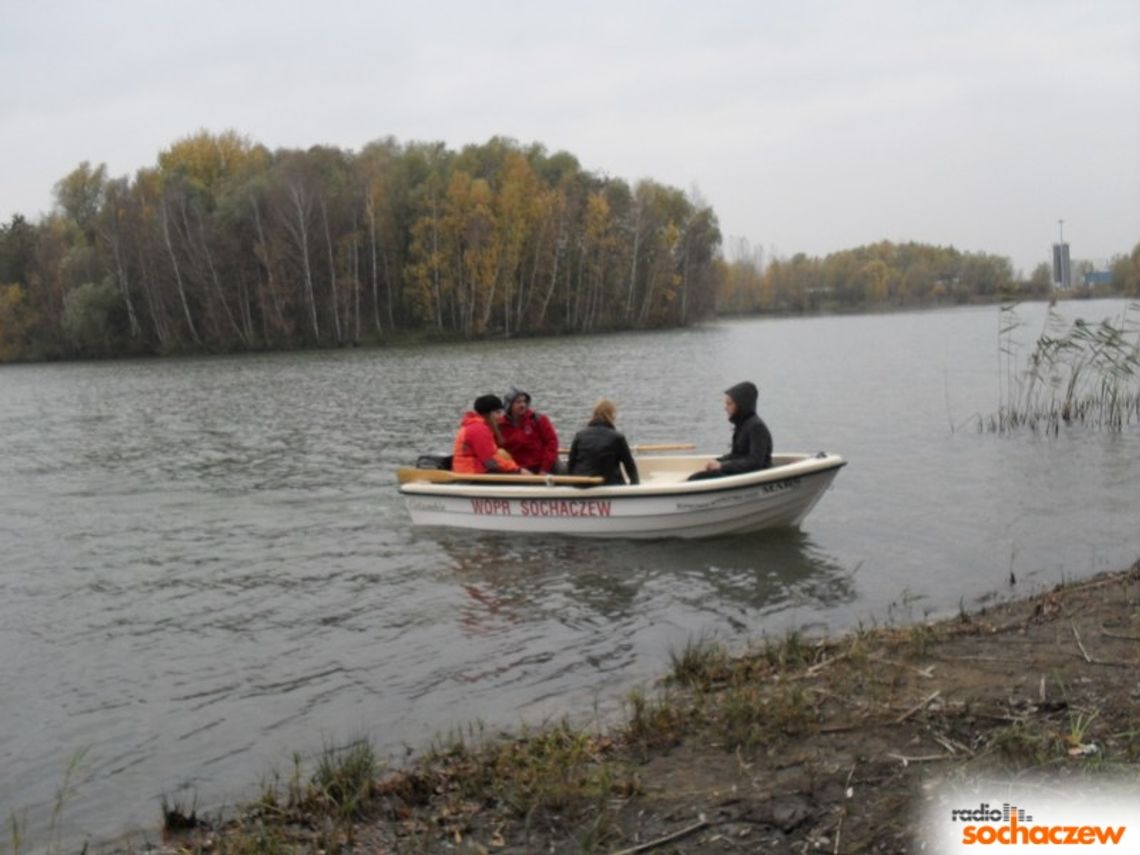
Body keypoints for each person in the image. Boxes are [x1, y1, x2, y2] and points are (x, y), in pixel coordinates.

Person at [688, 381, 772, 481]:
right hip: (743, 472)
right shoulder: (743, 424)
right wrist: (718, 461)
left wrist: (722, 466)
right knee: (699, 475)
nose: (725, 408)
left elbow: (755, 462)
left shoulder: (756, 427)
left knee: (695, 479)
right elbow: (737, 455)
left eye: (729, 404)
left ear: (742, 405)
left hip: (755, 476)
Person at [452, 394, 531, 475]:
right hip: (472, 474)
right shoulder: (479, 430)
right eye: (498, 412)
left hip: (471, 471)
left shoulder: (477, 426)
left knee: (502, 453)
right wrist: (517, 470)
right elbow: (490, 462)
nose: (501, 417)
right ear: (489, 414)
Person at [567, 398, 639, 486]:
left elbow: (571, 463)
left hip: (581, 484)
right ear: (612, 415)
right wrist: (634, 485)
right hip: (607, 483)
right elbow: (630, 466)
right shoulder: (617, 437)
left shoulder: (580, 435)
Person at [498, 386, 561, 474]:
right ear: (509, 405)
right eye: (518, 402)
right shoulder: (500, 425)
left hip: (541, 467)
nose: (523, 405)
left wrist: (544, 469)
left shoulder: (539, 419)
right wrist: (516, 470)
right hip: (517, 470)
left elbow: (552, 443)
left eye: (524, 401)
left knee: (562, 468)